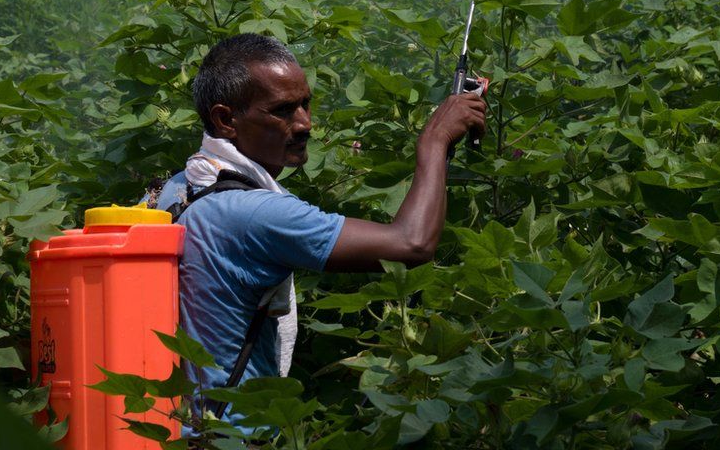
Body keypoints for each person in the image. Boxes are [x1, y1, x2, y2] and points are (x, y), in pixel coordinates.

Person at [146, 33, 485, 423]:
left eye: (306, 103)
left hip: (177, 430)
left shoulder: (179, 187)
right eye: (283, 110)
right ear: (226, 119)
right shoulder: (251, 212)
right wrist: (436, 139)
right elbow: (411, 244)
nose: (305, 122)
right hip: (230, 439)